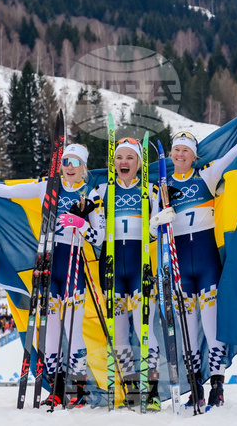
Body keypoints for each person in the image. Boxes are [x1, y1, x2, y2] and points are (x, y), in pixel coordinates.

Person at [0, 144, 104, 408]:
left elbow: (99, 237)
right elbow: (8, 191)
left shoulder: (90, 194)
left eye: (75, 162)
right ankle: (57, 388)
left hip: (73, 268)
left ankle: (78, 389)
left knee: (74, 333)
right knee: (49, 333)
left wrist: (80, 224)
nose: (69, 167)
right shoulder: (46, 187)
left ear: (84, 167)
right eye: (65, 161)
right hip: (48, 265)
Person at [148, 100, 237, 409]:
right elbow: (150, 230)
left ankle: (217, 384)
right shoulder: (160, 186)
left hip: (206, 262)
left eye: (186, 151)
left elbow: (234, 152)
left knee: (212, 327)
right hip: (180, 268)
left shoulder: (207, 175)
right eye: (176, 150)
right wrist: (157, 221)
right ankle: (194, 386)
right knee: (188, 330)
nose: (180, 155)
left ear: (193, 156)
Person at [89, 137, 161, 411]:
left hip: (141, 269)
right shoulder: (102, 191)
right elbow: (94, 235)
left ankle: (151, 391)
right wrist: (79, 222)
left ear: (139, 163)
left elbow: (156, 232)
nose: (124, 162)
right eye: (120, 157)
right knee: (119, 335)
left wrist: (156, 223)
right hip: (113, 271)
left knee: (145, 331)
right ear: (114, 162)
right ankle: (131, 390)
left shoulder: (150, 191)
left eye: (130, 157)